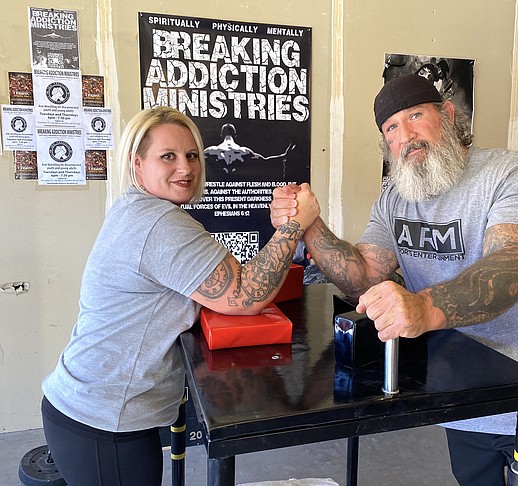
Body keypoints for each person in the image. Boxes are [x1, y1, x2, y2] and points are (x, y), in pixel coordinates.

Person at [271, 74, 518, 485]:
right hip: (464, 396)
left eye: (416, 116)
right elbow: (364, 275)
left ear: (449, 115)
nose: (406, 135)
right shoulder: (394, 198)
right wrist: (310, 227)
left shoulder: (515, 173)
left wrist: (422, 306)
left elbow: (514, 266)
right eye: (391, 128)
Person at [40, 106, 319, 486]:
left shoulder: (137, 208)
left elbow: (226, 276)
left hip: (89, 406)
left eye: (191, 155)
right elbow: (243, 293)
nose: (186, 168)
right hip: (104, 419)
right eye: (167, 156)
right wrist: (294, 227)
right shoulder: (159, 223)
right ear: (137, 164)